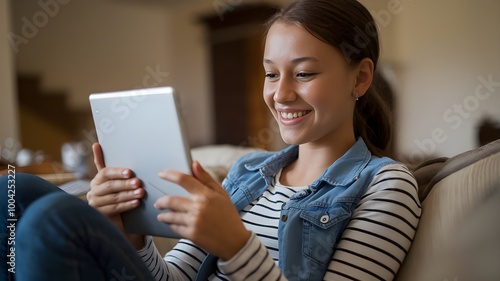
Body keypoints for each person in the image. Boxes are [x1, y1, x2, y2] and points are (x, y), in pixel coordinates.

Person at [0, 0, 421, 280]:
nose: (281, 93)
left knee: (53, 217)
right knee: (12, 193)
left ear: (361, 77)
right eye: (271, 74)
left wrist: (236, 244)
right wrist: (128, 234)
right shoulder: (248, 173)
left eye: (304, 73)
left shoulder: (386, 185)